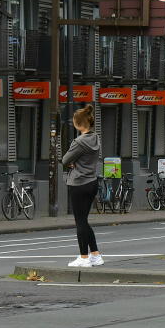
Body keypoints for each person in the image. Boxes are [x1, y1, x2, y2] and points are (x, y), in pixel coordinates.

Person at [61, 104, 103, 267]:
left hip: (78, 183)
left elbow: (65, 160)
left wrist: (72, 164)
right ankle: (96, 255)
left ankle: (84, 257)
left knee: (80, 222)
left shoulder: (78, 142)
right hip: (92, 181)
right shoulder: (96, 138)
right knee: (84, 221)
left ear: (78, 124)